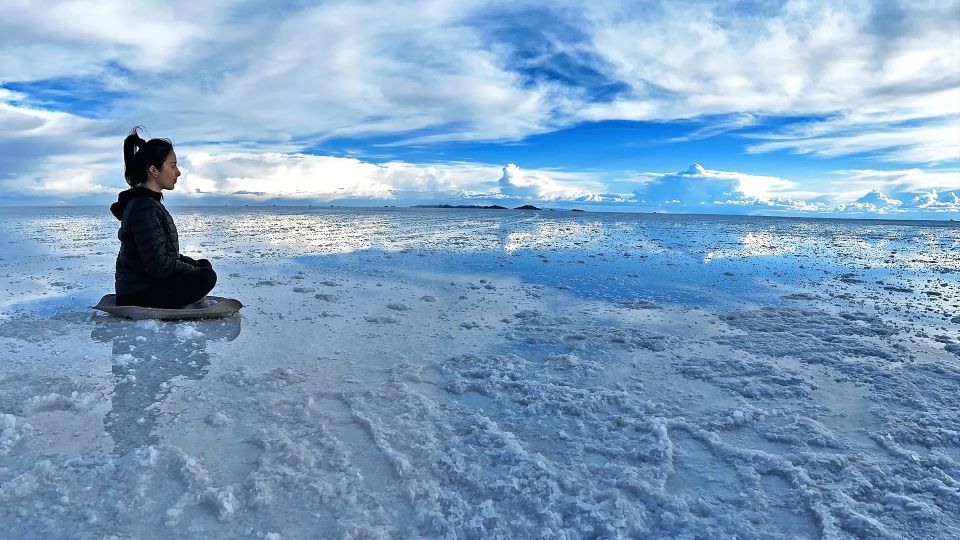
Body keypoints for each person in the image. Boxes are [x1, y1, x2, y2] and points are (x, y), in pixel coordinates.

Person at [110, 127, 218, 309]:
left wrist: (196, 266)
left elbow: (165, 254)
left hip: (149, 284)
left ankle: (188, 298)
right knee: (206, 276)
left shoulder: (149, 203)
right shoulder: (143, 207)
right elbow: (158, 266)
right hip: (137, 293)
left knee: (204, 267)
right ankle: (187, 303)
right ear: (153, 169)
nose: (178, 172)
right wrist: (197, 272)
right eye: (173, 165)